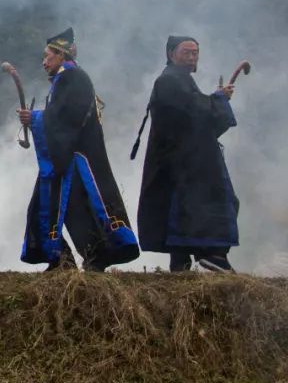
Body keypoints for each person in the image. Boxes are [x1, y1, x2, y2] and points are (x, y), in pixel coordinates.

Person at [17, 29, 139, 271]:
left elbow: (68, 117)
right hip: (67, 157)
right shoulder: (65, 81)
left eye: (47, 56)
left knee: (79, 210)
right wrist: (39, 119)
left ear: (61, 56)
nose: (44, 62)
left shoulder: (74, 78)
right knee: (56, 208)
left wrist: (37, 119)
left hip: (78, 160)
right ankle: (63, 260)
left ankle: (88, 258)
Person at [133, 35, 240, 272]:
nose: (192, 57)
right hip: (181, 163)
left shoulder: (179, 80)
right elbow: (195, 113)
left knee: (179, 210)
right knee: (208, 203)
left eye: (195, 52)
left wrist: (217, 99)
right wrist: (219, 100)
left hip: (182, 161)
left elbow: (197, 114)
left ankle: (180, 265)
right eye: (186, 52)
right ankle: (213, 255)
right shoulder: (170, 80)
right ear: (172, 54)